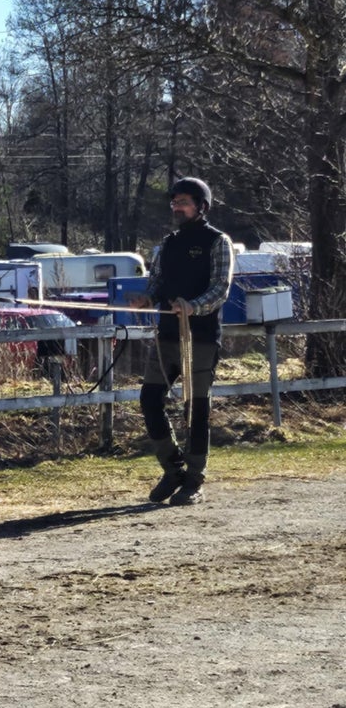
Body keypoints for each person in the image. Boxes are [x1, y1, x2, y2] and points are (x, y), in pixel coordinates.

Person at [129, 177, 235, 505]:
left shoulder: (218, 241)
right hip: (166, 336)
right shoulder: (169, 243)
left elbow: (221, 287)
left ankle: (194, 478)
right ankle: (173, 467)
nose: (177, 206)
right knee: (149, 399)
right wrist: (147, 298)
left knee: (196, 407)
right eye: (175, 202)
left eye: (184, 201)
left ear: (201, 206)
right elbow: (157, 280)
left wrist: (193, 306)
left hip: (200, 338)